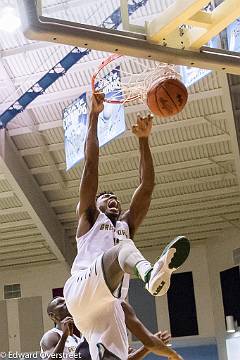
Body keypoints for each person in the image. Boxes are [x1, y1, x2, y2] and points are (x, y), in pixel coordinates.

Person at [64, 93, 190, 360]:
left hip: (104, 305)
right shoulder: (89, 219)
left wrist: (144, 140)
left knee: (116, 353)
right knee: (123, 250)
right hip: (81, 288)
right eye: (105, 197)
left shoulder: (124, 226)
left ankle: (151, 275)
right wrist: (94, 116)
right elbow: (91, 165)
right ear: (94, 204)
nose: (112, 199)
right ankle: (150, 273)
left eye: (115, 198)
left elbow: (146, 188)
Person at [41, 296, 172, 360]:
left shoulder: (82, 338)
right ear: (52, 316)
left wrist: (149, 345)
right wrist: (64, 337)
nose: (66, 303)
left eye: (66, 300)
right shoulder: (51, 336)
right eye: (60, 303)